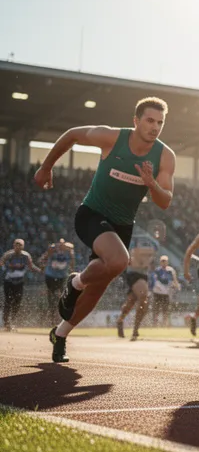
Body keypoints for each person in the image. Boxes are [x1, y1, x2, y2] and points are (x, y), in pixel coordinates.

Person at [34, 97, 175, 363]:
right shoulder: (112, 138)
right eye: (150, 120)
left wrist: (151, 183)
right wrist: (46, 166)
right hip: (92, 214)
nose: (155, 127)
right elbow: (72, 134)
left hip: (122, 226)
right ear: (136, 121)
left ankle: (60, 334)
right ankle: (75, 282)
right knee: (120, 261)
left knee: (97, 288)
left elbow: (165, 201)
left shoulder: (165, 156)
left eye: (160, 122)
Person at [115, 233, 158, 340]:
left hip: (143, 275)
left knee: (131, 301)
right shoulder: (134, 248)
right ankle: (135, 329)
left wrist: (148, 262)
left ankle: (120, 320)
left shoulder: (149, 250)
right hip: (133, 274)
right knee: (143, 297)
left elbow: (149, 264)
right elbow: (133, 261)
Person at [1, 239, 42, 331]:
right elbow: (1, 262)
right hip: (9, 281)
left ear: (23, 246)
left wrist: (40, 271)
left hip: (19, 282)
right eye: (16, 245)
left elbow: (31, 266)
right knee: (8, 301)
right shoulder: (8, 255)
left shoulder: (26, 256)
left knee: (17, 302)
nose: (18, 247)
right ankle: (6, 323)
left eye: (20, 245)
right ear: (13, 245)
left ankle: (12, 322)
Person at [39, 239, 75, 326]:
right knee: (51, 297)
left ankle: (62, 316)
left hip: (62, 277)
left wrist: (70, 253)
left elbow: (72, 261)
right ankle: (52, 317)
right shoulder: (52, 249)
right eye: (60, 245)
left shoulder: (69, 251)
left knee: (63, 296)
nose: (61, 247)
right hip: (51, 276)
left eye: (63, 245)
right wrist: (43, 265)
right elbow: (44, 258)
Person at [149, 255, 179, 327]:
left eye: (165, 261)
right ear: (160, 262)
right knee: (156, 308)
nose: (164, 262)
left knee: (165, 309)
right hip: (157, 292)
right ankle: (155, 323)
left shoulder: (171, 270)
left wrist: (176, 286)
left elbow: (174, 279)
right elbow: (154, 280)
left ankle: (164, 323)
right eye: (162, 261)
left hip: (166, 293)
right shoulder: (157, 270)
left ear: (167, 262)